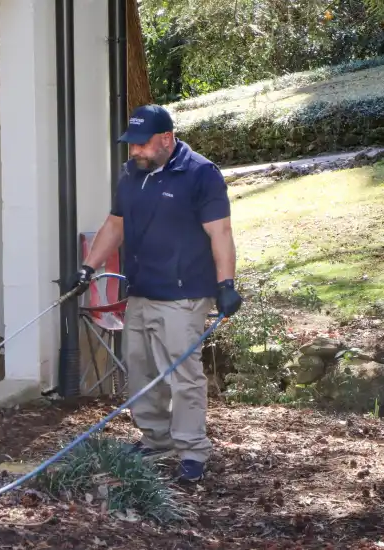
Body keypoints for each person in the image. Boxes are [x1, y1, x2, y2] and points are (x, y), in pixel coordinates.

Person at [68, 104, 242, 482]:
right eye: (131, 146)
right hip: (142, 291)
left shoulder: (200, 174)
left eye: (141, 145)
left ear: (166, 139)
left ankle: (192, 450)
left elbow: (221, 233)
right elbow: (115, 225)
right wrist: (88, 268)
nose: (135, 152)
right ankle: (156, 438)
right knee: (141, 370)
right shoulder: (132, 174)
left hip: (184, 296)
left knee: (183, 375)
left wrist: (227, 284)